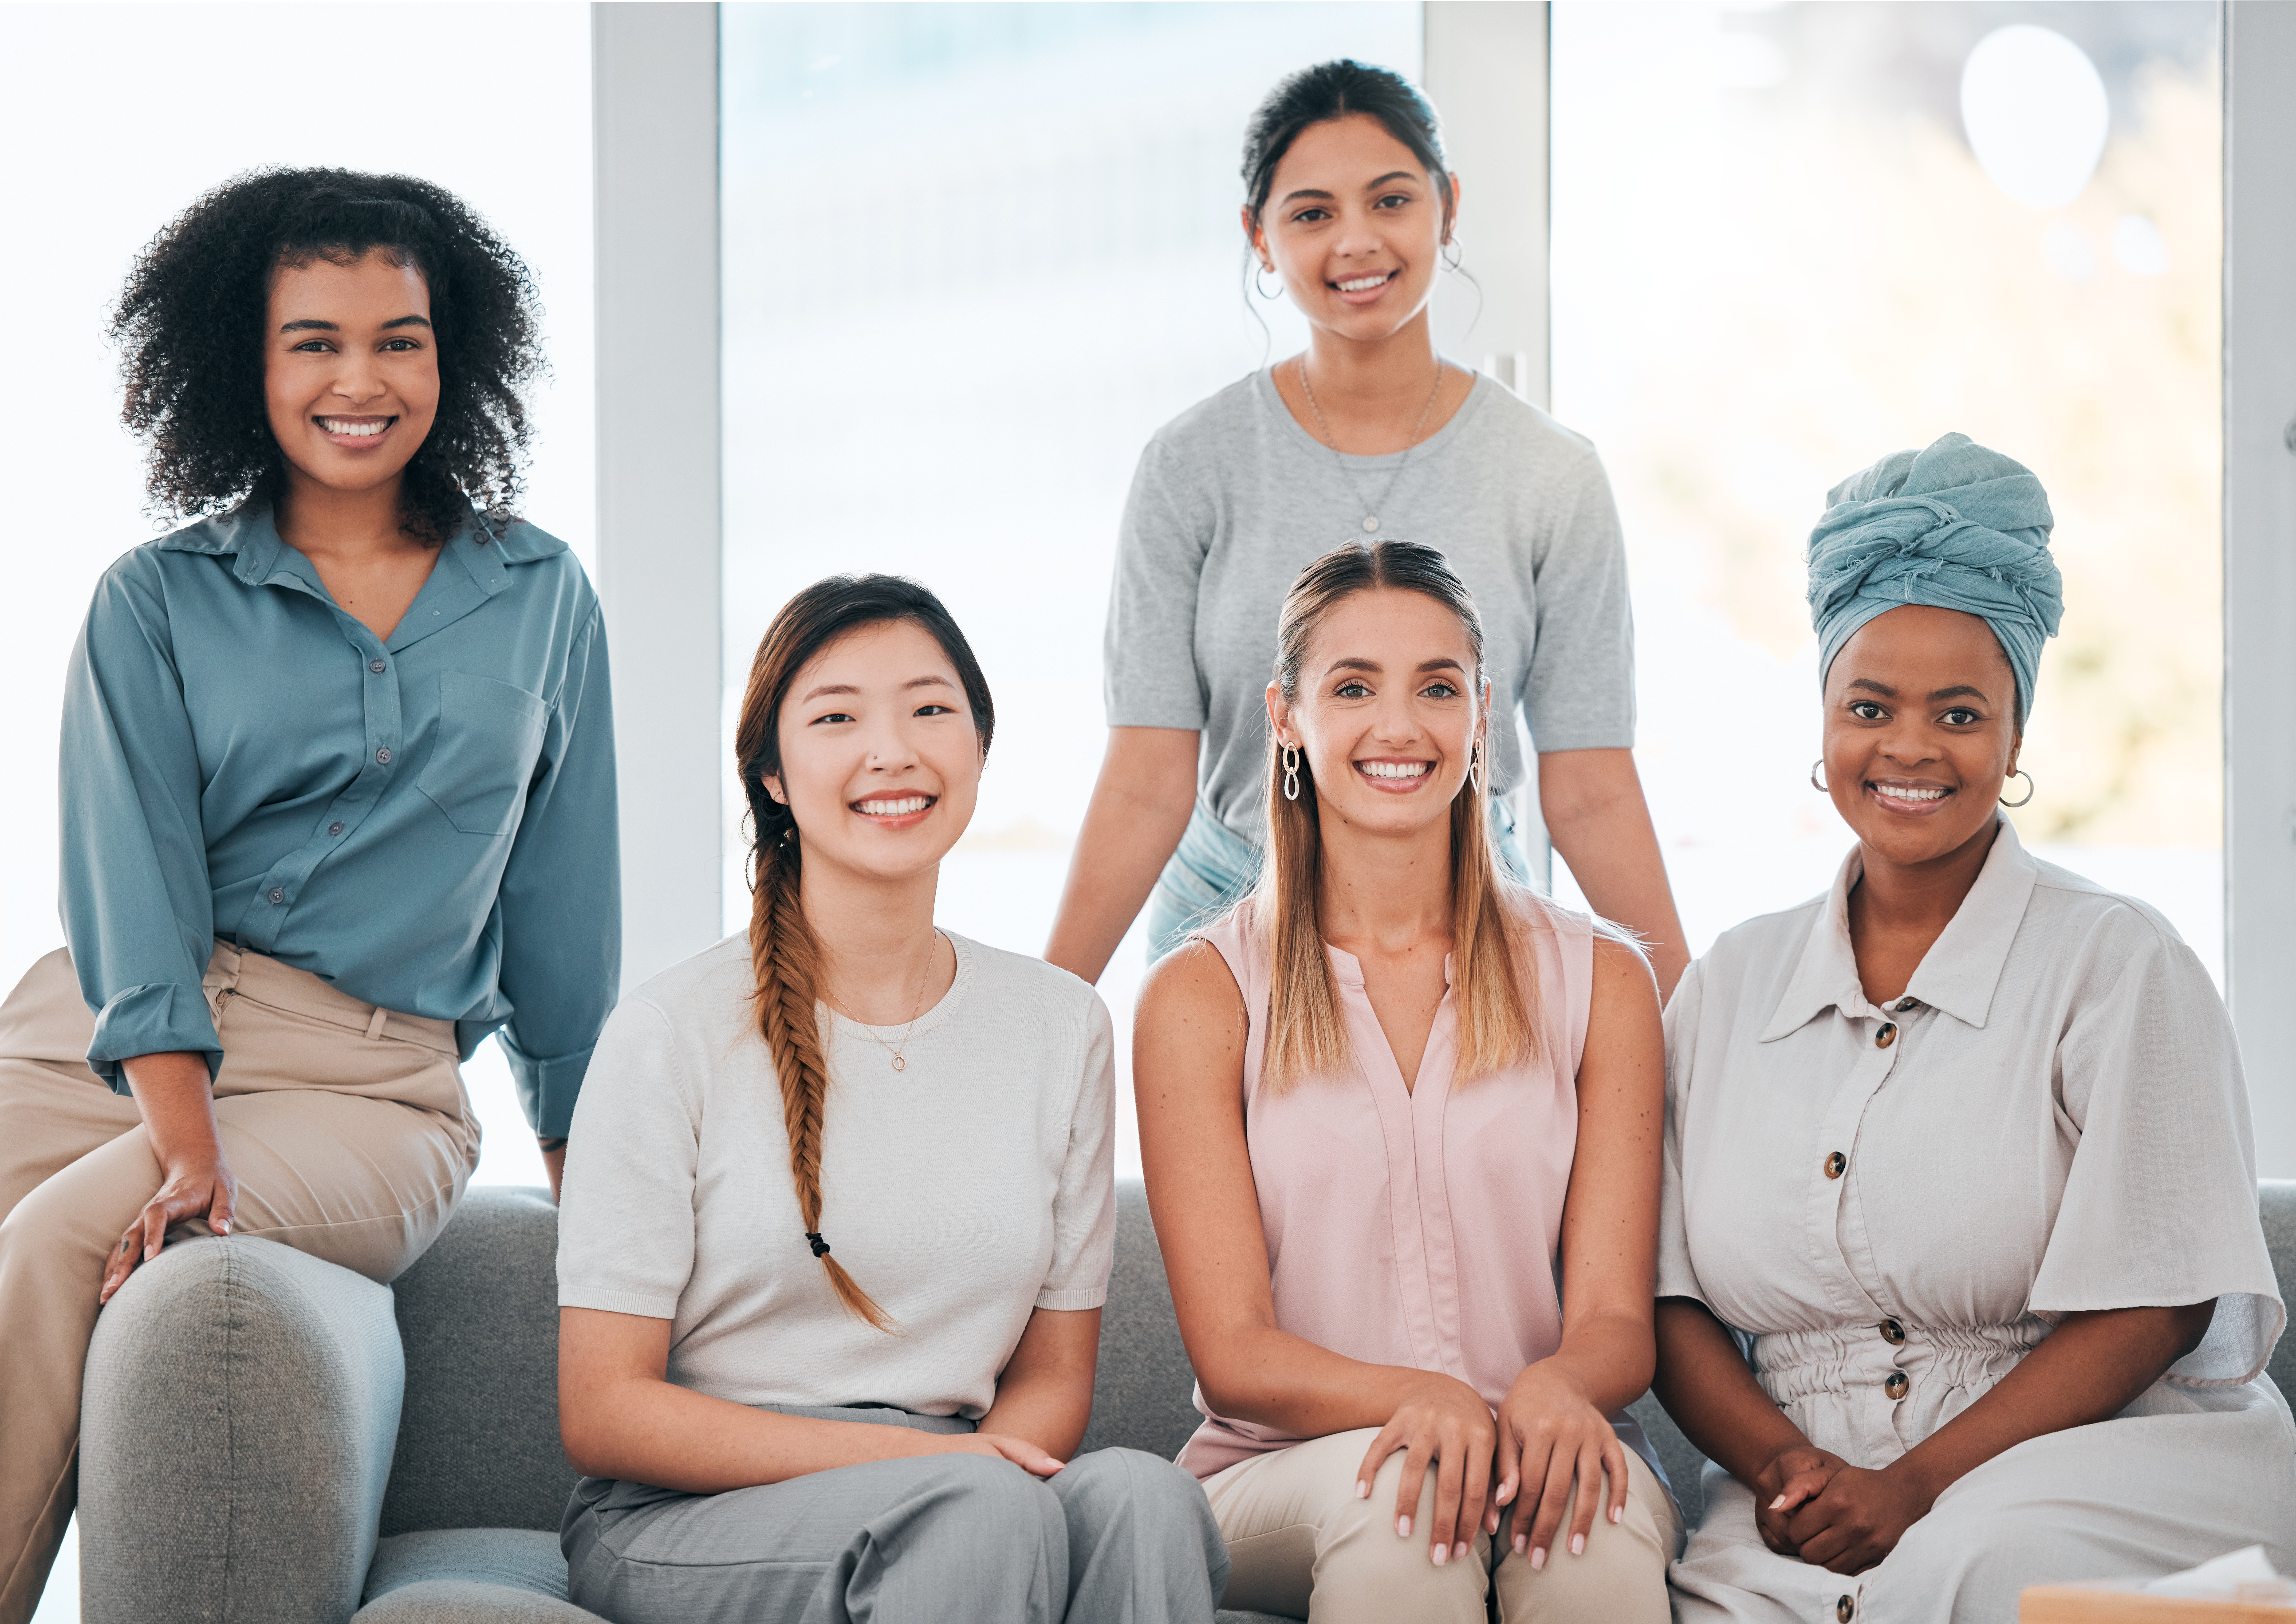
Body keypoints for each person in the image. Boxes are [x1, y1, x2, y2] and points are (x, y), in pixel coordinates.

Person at [0, 168, 618, 1624]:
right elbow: (130, 877)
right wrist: (183, 1119)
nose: (361, 380)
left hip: (368, 1077)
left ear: (454, 356)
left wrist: (597, 1191)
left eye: (400, 340)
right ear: (247, 363)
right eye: (314, 342)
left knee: (64, 1241)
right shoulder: (154, 598)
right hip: (106, 1031)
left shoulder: (541, 595)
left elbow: (561, 912)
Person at [1654, 433, 2295, 1624]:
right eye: (1870, 707)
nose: (1909, 747)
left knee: (1973, 1572)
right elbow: (1668, 1296)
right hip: (1798, 1498)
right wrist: (1791, 1470)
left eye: (1960, 712)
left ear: (2015, 737)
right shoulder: (1728, 985)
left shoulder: (2120, 963)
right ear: (1825, 722)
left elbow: (2162, 1301)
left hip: (2095, 1466)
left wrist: (1912, 1487)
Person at [553, 575, 1226, 1624]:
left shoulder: (1062, 1025)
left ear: (979, 747)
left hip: (960, 1486)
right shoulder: (667, 1032)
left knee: (1149, 1497)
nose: (893, 751)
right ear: (773, 774)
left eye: (929, 708)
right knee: (976, 1512)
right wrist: (921, 1467)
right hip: (687, 1511)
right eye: (837, 718)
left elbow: (1055, 1376)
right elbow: (604, 1411)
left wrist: (964, 1474)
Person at [1047, 58, 1687, 996]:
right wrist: (1046, 1016)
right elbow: (1147, 779)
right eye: (1312, 213)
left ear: (1448, 208)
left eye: (1391, 200)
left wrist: (1691, 1030)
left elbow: (1591, 787)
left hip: (1476, 918)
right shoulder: (1189, 465)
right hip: (1228, 915)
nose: (1356, 241)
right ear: (1260, 238)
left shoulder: (1552, 472)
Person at [1135, 538, 1680, 1624]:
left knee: (1593, 1547)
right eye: (1353, 687)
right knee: (1408, 1510)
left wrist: (1559, 1384)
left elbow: (1618, 1317)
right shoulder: (1199, 996)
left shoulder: (1604, 980)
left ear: (1481, 713)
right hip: (1284, 1471)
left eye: (1437, 687)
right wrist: (1421, 1400)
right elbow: (1236, 1356)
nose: (1400, 725)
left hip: (1547, 1442)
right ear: (1286, 718)